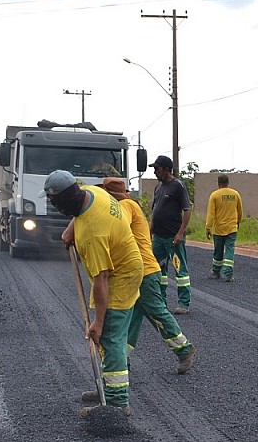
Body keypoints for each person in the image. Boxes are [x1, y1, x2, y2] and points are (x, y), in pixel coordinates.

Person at [71, 178, 198, 376]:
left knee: (156, 312)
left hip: (144, 271)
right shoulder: (126, 204)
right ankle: (123, 359)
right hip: (134, 272)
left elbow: (118, 221)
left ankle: (184, 349)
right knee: (130, 319)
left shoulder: (125, 206)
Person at [44, 170, 144, 418]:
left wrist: (98, 323)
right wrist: (71, 231)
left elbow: (101, 281)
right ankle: (108, 390)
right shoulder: (93, 193)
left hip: (122, 276)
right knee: (111, 336)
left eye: (55, 204)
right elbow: (80, 215)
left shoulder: (93, 234)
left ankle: (118, 404)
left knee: (109, 337)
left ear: (63, 202)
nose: (54, 209)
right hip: (127, 262)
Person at [149, 155, 193, 315]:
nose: (155, 172)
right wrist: (150, 231)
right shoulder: (158, 187)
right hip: (159, 238)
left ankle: (184, 303)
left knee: (180, 270)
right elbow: (155, 211)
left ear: (167, 169)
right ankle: (160, 301)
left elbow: (187, 210)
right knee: (157, 268)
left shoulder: (178, 186)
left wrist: (180, 233)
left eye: (157, 168)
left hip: (173, 238)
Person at [205, 174, 244, 282]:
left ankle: (216, 271)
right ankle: (228, 273)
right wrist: (237, 222)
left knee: (218, 250)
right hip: (232, 228)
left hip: (219, 229)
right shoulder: (235, 194)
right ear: (228, 182)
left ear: (218, 183)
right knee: (230, 250)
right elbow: (240, 211)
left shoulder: (214, 195)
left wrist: (208, 227)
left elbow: (211, 213)